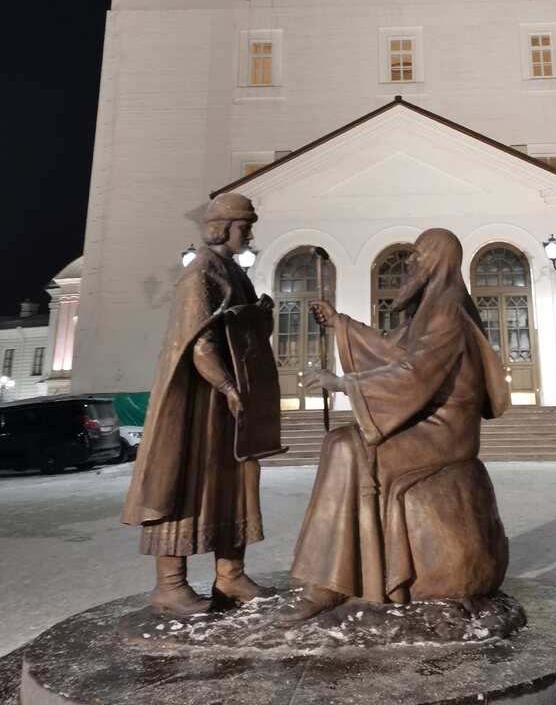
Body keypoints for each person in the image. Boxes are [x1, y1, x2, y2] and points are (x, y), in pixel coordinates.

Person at [283, 228, 510, 622]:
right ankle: (340, 579)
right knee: (342, 443)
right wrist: (340, 324)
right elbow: (394, 353)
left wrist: (344, 383)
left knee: (347, 448)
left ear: (437, 260)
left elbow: (414, 371)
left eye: (419, 255)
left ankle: (330, 585)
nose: (410, 262)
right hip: (426, 421)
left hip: (444, 431)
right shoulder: (432, 307)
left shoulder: (448, 310)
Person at [122, 192, 275, 615]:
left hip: (224, 405)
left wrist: (260, 317)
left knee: (234, 480)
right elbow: (200, 343)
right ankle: (170, 585)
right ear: (221, 228)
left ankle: (231, 575)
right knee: (185, 482)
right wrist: (227, 387)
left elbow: (235, 333)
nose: (249, 234)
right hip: (197, 404)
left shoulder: (232, 271)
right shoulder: (201, 272)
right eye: (244, 226)